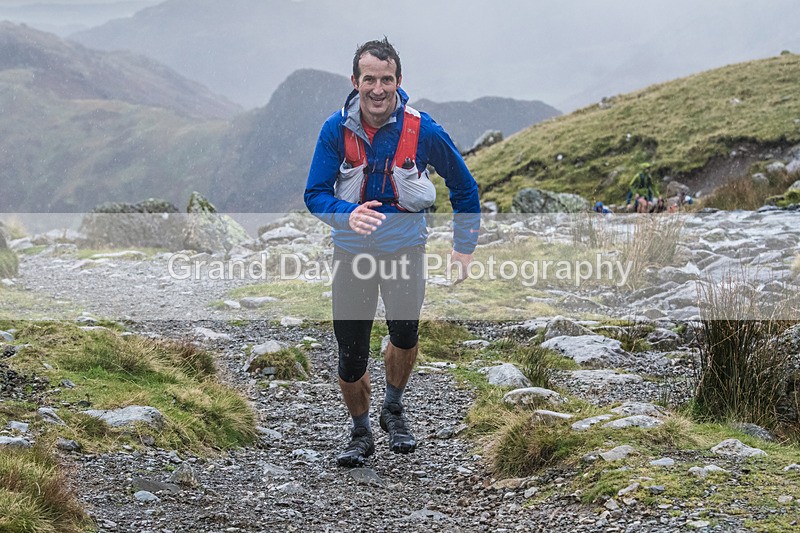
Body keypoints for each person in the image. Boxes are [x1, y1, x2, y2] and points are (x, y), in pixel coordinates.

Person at [304, 38, 480, 467]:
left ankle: (393, 408)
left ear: (399, 82)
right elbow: (315, 194)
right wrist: (347, 214)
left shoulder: (424, 130)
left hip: (405, 248)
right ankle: (360, 431)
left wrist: (463, 248)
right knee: (350, 352)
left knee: (404, 333)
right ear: (355, 82)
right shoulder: (335, 130)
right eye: (369, 79)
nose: (377, 89)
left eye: (386, 80)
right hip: (351, 252)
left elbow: (464, 186)